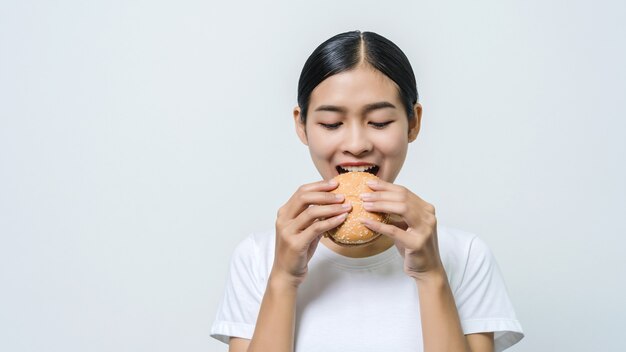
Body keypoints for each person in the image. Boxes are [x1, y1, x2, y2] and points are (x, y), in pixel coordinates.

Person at [210, 30, 524, 352]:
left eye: (379, 122)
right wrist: (283, 279)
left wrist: (431, 275)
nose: (357, 145)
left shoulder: (465, 255)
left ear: (413, 123)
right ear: (302, 125)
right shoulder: (257, 258)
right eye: (332, 124)